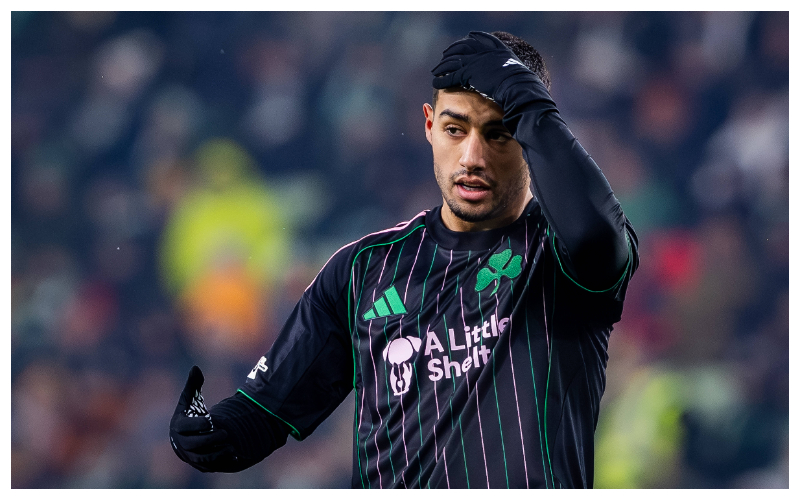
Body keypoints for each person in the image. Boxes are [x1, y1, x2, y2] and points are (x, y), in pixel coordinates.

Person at [169, 31, 639, 489]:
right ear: (429, 126)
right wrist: (215, 434)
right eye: (456, 129)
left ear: (531, 138)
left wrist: (530, 104)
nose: (472, 156)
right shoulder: (360, 270)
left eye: (499, 133)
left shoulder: (559, 256)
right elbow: (266, 411)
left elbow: (597, 237)